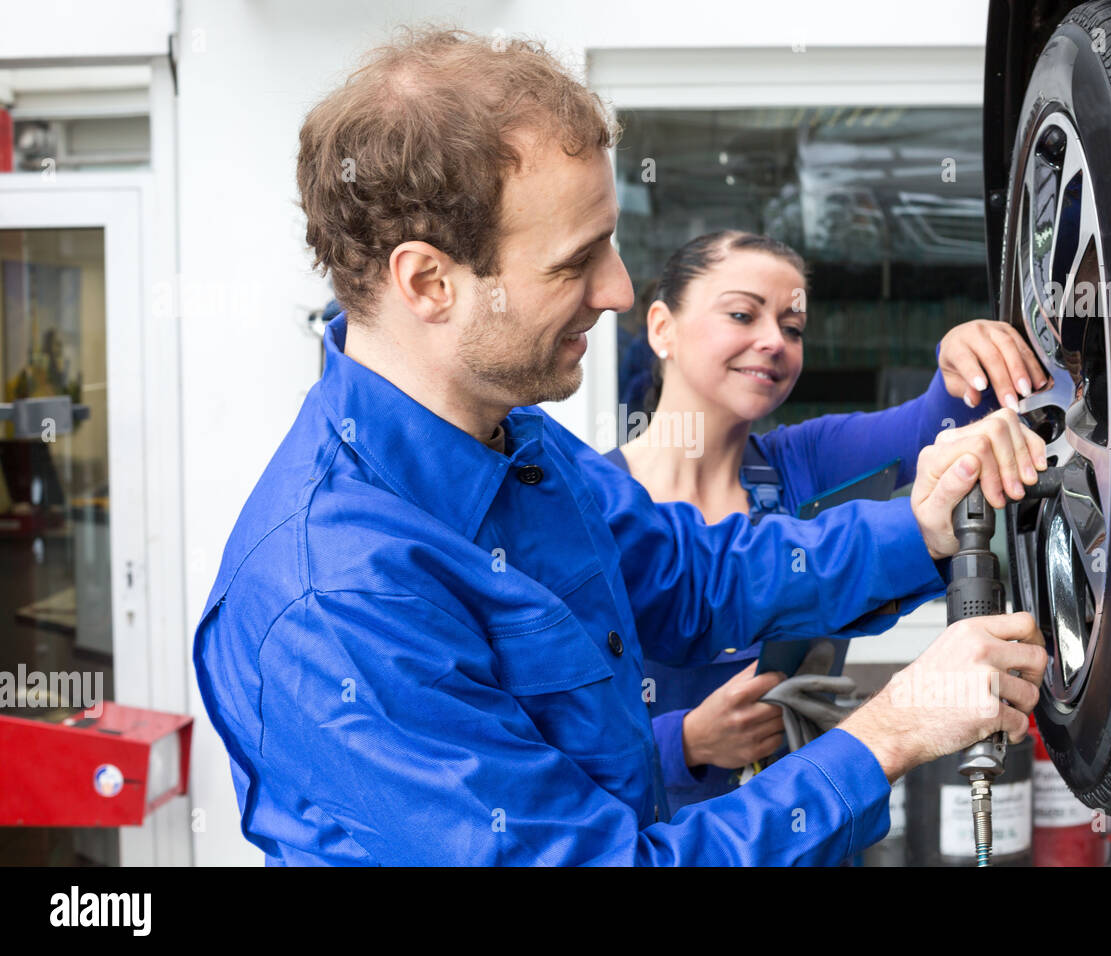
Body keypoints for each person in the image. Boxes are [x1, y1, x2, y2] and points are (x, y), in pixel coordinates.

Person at [192, 25, 1048, 866]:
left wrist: (923, 529)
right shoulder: (335, 599)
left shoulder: (516, 447)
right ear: (429, 281)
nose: (620, 290)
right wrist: (888, 733)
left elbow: (696, 580)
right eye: (574, 263)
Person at [605, 230, 1048, 816]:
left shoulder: (802, 463)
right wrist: (683, 743)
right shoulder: (593, 507)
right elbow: (546, 738)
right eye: (743, 313)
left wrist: (963, 355)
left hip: (812, 822)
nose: (774, 341)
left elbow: (942, 421)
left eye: (792, 328)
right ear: (661, 327)